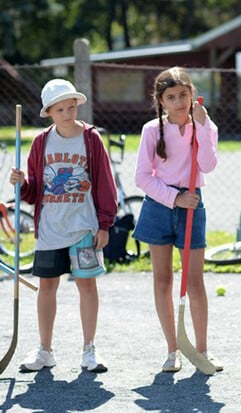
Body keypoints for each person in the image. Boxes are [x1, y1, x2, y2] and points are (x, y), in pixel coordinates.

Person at [9, 78, 117, 373]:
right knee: (47, 286)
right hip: (50, 230)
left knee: (86, 285)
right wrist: (21, 184)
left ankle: (89, 350)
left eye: (71, 107)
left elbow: (106, 184)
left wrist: (105, 223)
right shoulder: (41, 142)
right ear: (49, 112)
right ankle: (45, 350)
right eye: (61, 109)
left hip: (83, 227)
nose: (68, 114)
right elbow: (34, 193)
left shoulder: (91, 139)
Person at [132, 66, 222, 373]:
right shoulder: (151, 131)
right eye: (171, 97)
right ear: (161, 101)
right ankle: (172, 350)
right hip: (159, 205)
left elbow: (207, 165)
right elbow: (142, 177)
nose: (179, 101)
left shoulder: (205, 126)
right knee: (163, 280)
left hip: (193, 205)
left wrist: (204, 125)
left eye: (183, 94)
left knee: (195, 282)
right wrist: (173, 198)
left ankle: (202, 350)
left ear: (193, 95)